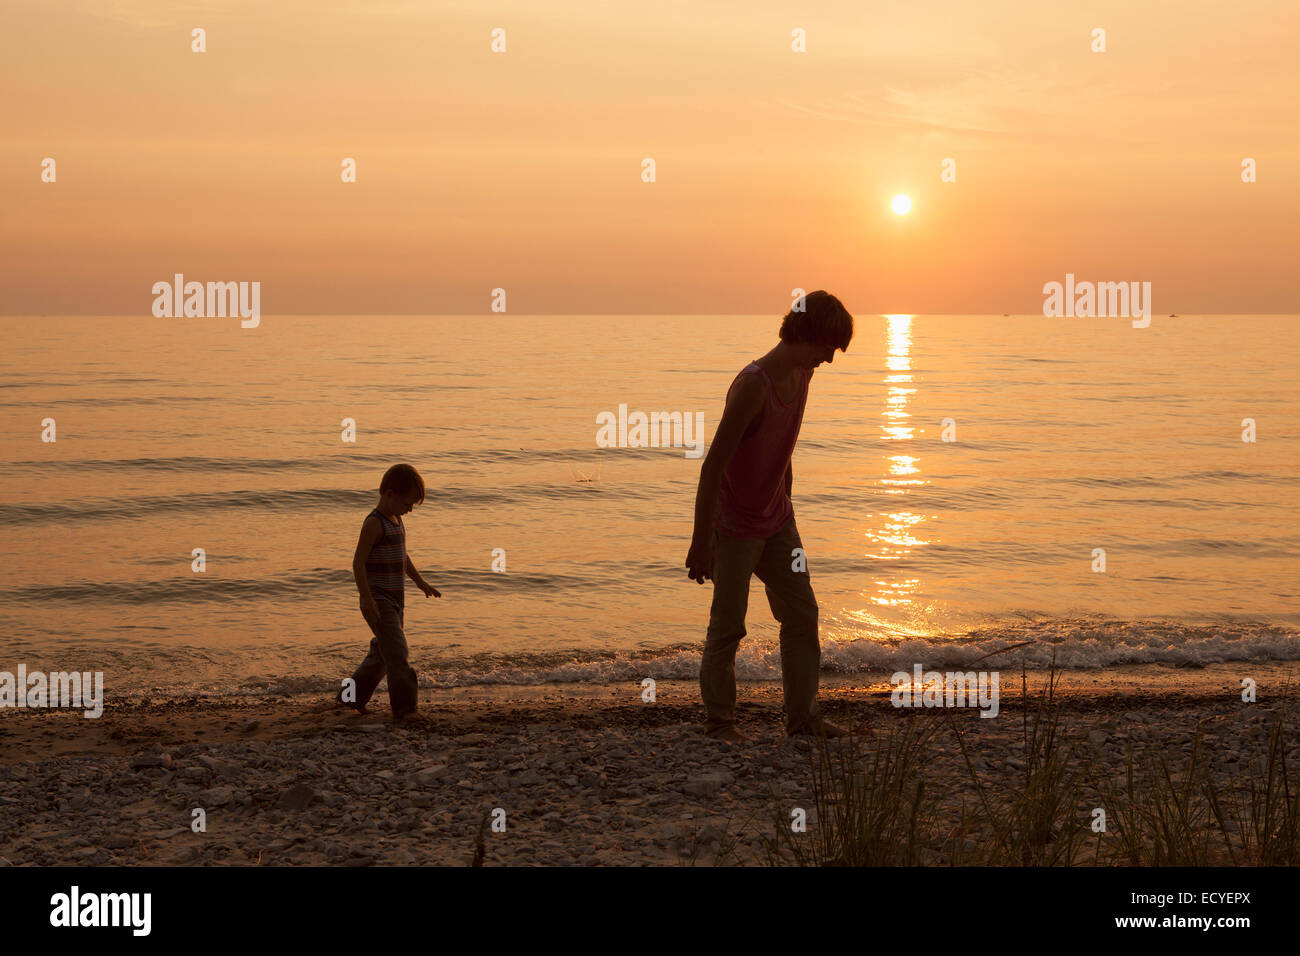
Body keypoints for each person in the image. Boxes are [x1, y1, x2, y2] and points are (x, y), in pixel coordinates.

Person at [685, 291, 853, 741]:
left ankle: (803, 720)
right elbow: (712, 466)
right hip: (734, 527)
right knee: (729, 626)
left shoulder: (802, 374)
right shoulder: (752, 386)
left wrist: (788, 508)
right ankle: (719, 723)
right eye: (828, 348)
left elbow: (784, 447)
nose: (829, 360)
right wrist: (701, 543)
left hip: (778, 522)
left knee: (802, 614)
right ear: (808, 335)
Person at [337, 463, 440, 719]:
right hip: (378, 601)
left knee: (382, 655)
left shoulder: (397, 521)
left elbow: (402, 556)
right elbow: (358, 561)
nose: (409, 510)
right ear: (390, 494)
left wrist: (420, 582)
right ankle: (405, 709)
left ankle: (349, 698)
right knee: (397, 653)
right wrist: (366, 597)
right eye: (408, 504)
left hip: (395, 601)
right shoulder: (374, 523)